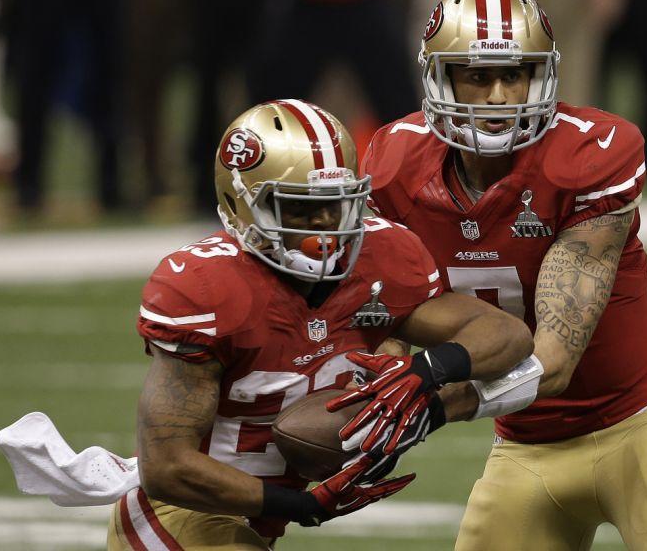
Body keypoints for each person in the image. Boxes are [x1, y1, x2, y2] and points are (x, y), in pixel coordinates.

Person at [337, 0, 647, 550]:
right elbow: (389, 314)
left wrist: (427, 402)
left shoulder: (591, 154)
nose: (498, 95)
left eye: (515, 73)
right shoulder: (395, 162)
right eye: (476, 74)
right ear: (439, 78)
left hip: (637, 428)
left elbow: (554, 362)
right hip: (525, 448)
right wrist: (377, 393)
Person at [106, 99, 533, 549]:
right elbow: (166, 468)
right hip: (180, 515)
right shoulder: (205, 289)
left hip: (255, 523)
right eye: (301, 209)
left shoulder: (380, 260)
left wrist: (424, 371)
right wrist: (304, 507)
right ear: (241, 205)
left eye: (337, 205)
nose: (326, 227)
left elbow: (507, 335)